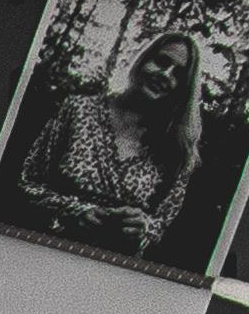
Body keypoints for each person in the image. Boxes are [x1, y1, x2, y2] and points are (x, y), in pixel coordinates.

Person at [12, 25, 207, 253]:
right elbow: (28, 183)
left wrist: (143, 228)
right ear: (142, 60)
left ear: (183, 89)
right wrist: (76, 211)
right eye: (162, 62)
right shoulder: (78, 109)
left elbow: (161, 224)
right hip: (47, 247)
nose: (165, 74)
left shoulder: (176, 147)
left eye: (178, 74)